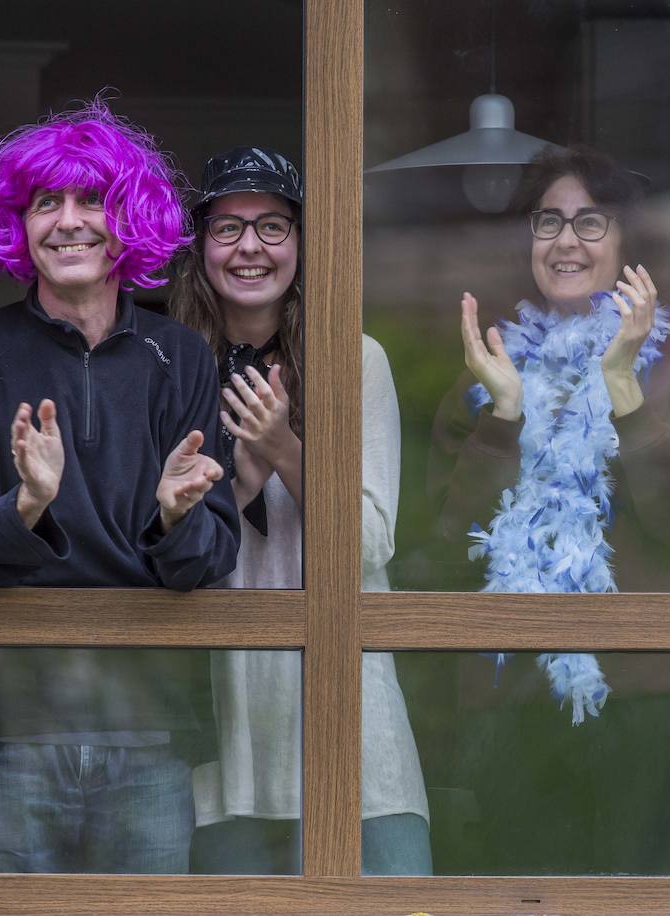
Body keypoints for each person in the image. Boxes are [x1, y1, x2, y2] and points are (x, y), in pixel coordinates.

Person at [0, 101, 239, 873]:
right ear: (18, 224)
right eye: (45, 203)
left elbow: (213, 560)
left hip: (151, 726)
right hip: (3, 731)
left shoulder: (182, 358)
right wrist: (26, 506)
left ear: (129, 218)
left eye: (91, 201)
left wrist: (177, 518)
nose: (68, 222)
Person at [427, 145, 670, 873]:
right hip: (514, 698)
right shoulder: (488, 371)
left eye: (591, 222)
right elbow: (445, 547)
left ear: (626, 245)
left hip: (652, 691)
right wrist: (502, 414)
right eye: (548, 221)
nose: (566, 240)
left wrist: (622, 385)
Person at [169, 147, 431, 875]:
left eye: (274, 226)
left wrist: (286, 447)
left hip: (351, 716)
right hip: (227, 721)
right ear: (200, 248)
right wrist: (242, 484)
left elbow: (371, 541)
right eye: (227, 227)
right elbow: (159, 552)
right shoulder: (166, 365)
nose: (250, 246)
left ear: (306, 245)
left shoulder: (357, 359)